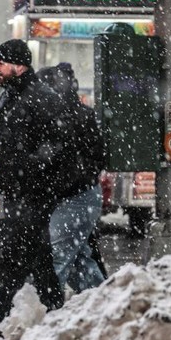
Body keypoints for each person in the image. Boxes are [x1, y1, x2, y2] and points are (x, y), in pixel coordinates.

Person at [0, 40, 65, 340]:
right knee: (38, 259)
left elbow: (57, 145)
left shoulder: (40, 98)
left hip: (34, 193)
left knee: (14, 257)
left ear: (19, 64)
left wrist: (31, 166)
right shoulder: (8, 97)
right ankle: (56, 312)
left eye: (1, 63)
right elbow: (4, 151)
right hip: (17, 192)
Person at [37, 63, 106, 294]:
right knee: (78, 260)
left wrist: (69, 179)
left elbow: (93, 158)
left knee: (57, 258)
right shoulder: (73, 115)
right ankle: (101, 301)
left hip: (75, 196)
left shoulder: (66, 118)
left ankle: (43, 312)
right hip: (77, 194)